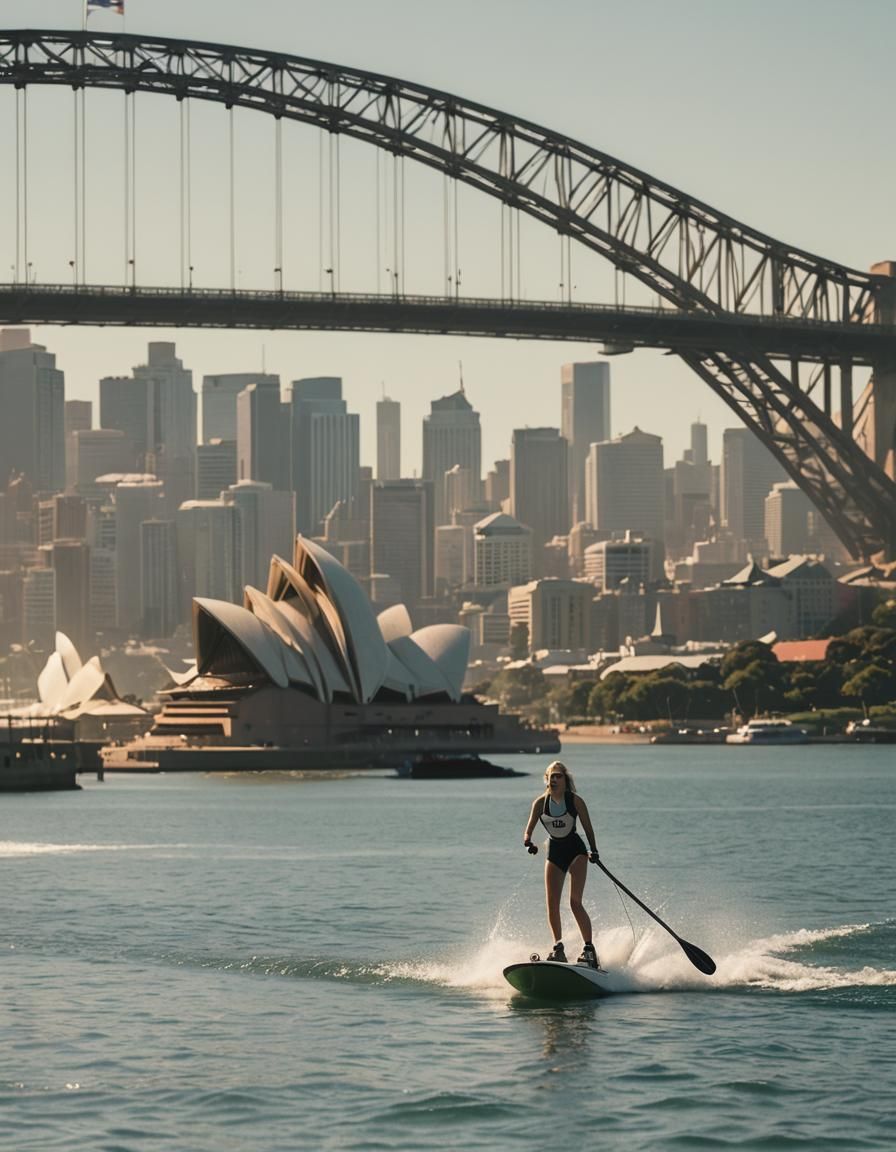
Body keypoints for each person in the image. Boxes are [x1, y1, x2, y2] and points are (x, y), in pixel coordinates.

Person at [522, 760, 600, 967]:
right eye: (551, 776)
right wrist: (528, 841)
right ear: (546, 780)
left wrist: (594, 851)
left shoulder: (575, 801)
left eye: (558, 776)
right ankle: (558, 948)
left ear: (566, 780)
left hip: (576, 851)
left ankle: (589, 950)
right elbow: (528, 829)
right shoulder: (540, 803)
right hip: (554, 852)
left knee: (575, 902)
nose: (554, 779)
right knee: (552, 904)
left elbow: (589, 829)